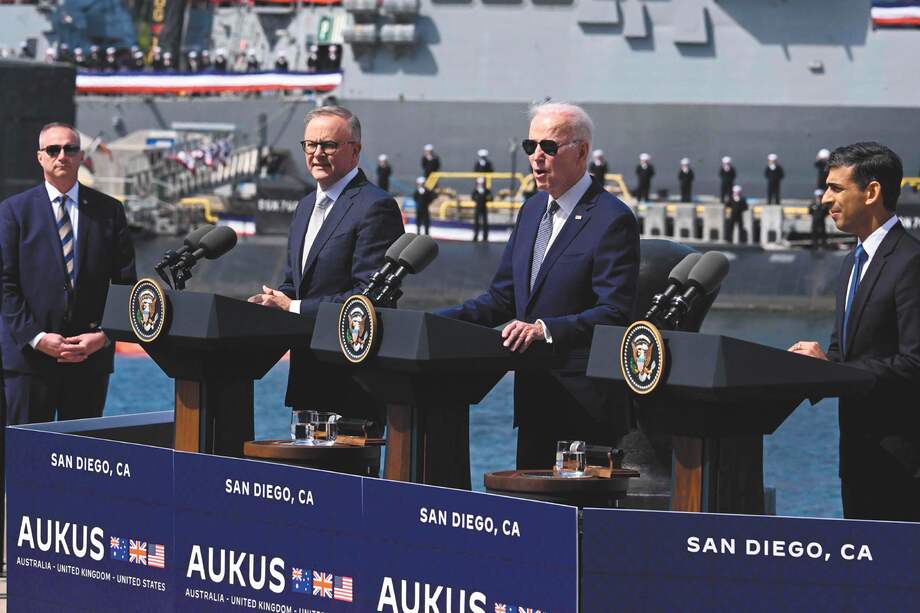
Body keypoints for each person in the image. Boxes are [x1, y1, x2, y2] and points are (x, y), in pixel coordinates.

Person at [438, 102, 639, 469]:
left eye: (549, 147)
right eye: (531, 147)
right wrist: (436, 322)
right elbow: (503, 298)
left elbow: (615, 311)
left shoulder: (612, 220)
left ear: (581, 152)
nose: (537, 157)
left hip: (585, 408)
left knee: (574, 520)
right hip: (534, 400)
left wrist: (545, 329)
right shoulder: (532, 211)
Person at [790, 142, 920, 521]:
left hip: (902, 467)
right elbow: (843, 357)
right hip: (858, 463)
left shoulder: (911, 263)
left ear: (872, 192)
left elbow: (915, 362)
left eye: (835, 188)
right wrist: (808, 368)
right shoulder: (852, 263)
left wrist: (835, 372)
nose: (824, 199)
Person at [247, 106, 404, 419]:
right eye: (310, 145)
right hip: (307, 379)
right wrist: (272, 301)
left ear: (355, 151)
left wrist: (292, 308)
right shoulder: (305, 206)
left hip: (354, 382)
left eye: (329, 145)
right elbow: (295, 282)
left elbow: (369, 298)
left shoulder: (375, 207)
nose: (317, 153)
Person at [0, 122, 136, 425]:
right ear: (40, 157)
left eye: (70, 148)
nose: (62, 155)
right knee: (27, 461)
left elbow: (126, 284)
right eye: (53, 149)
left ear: (80, 156)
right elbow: (5, 286)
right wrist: (37, 338)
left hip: (89, 360)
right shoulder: (13, 212)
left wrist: (103, 337)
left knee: (83, 458)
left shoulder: (109, 211)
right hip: (29, 361)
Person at [470, 176, 492, 242]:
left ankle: (485, 237)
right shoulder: (476, 191)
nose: (480, 185)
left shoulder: (486, 191)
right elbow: (472, 197)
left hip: (484, 208)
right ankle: (475, 236)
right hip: (477, 208)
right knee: (476, 223)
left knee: (485, 223)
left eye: (482, 183)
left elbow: (490, 198)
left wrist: (487, 198)